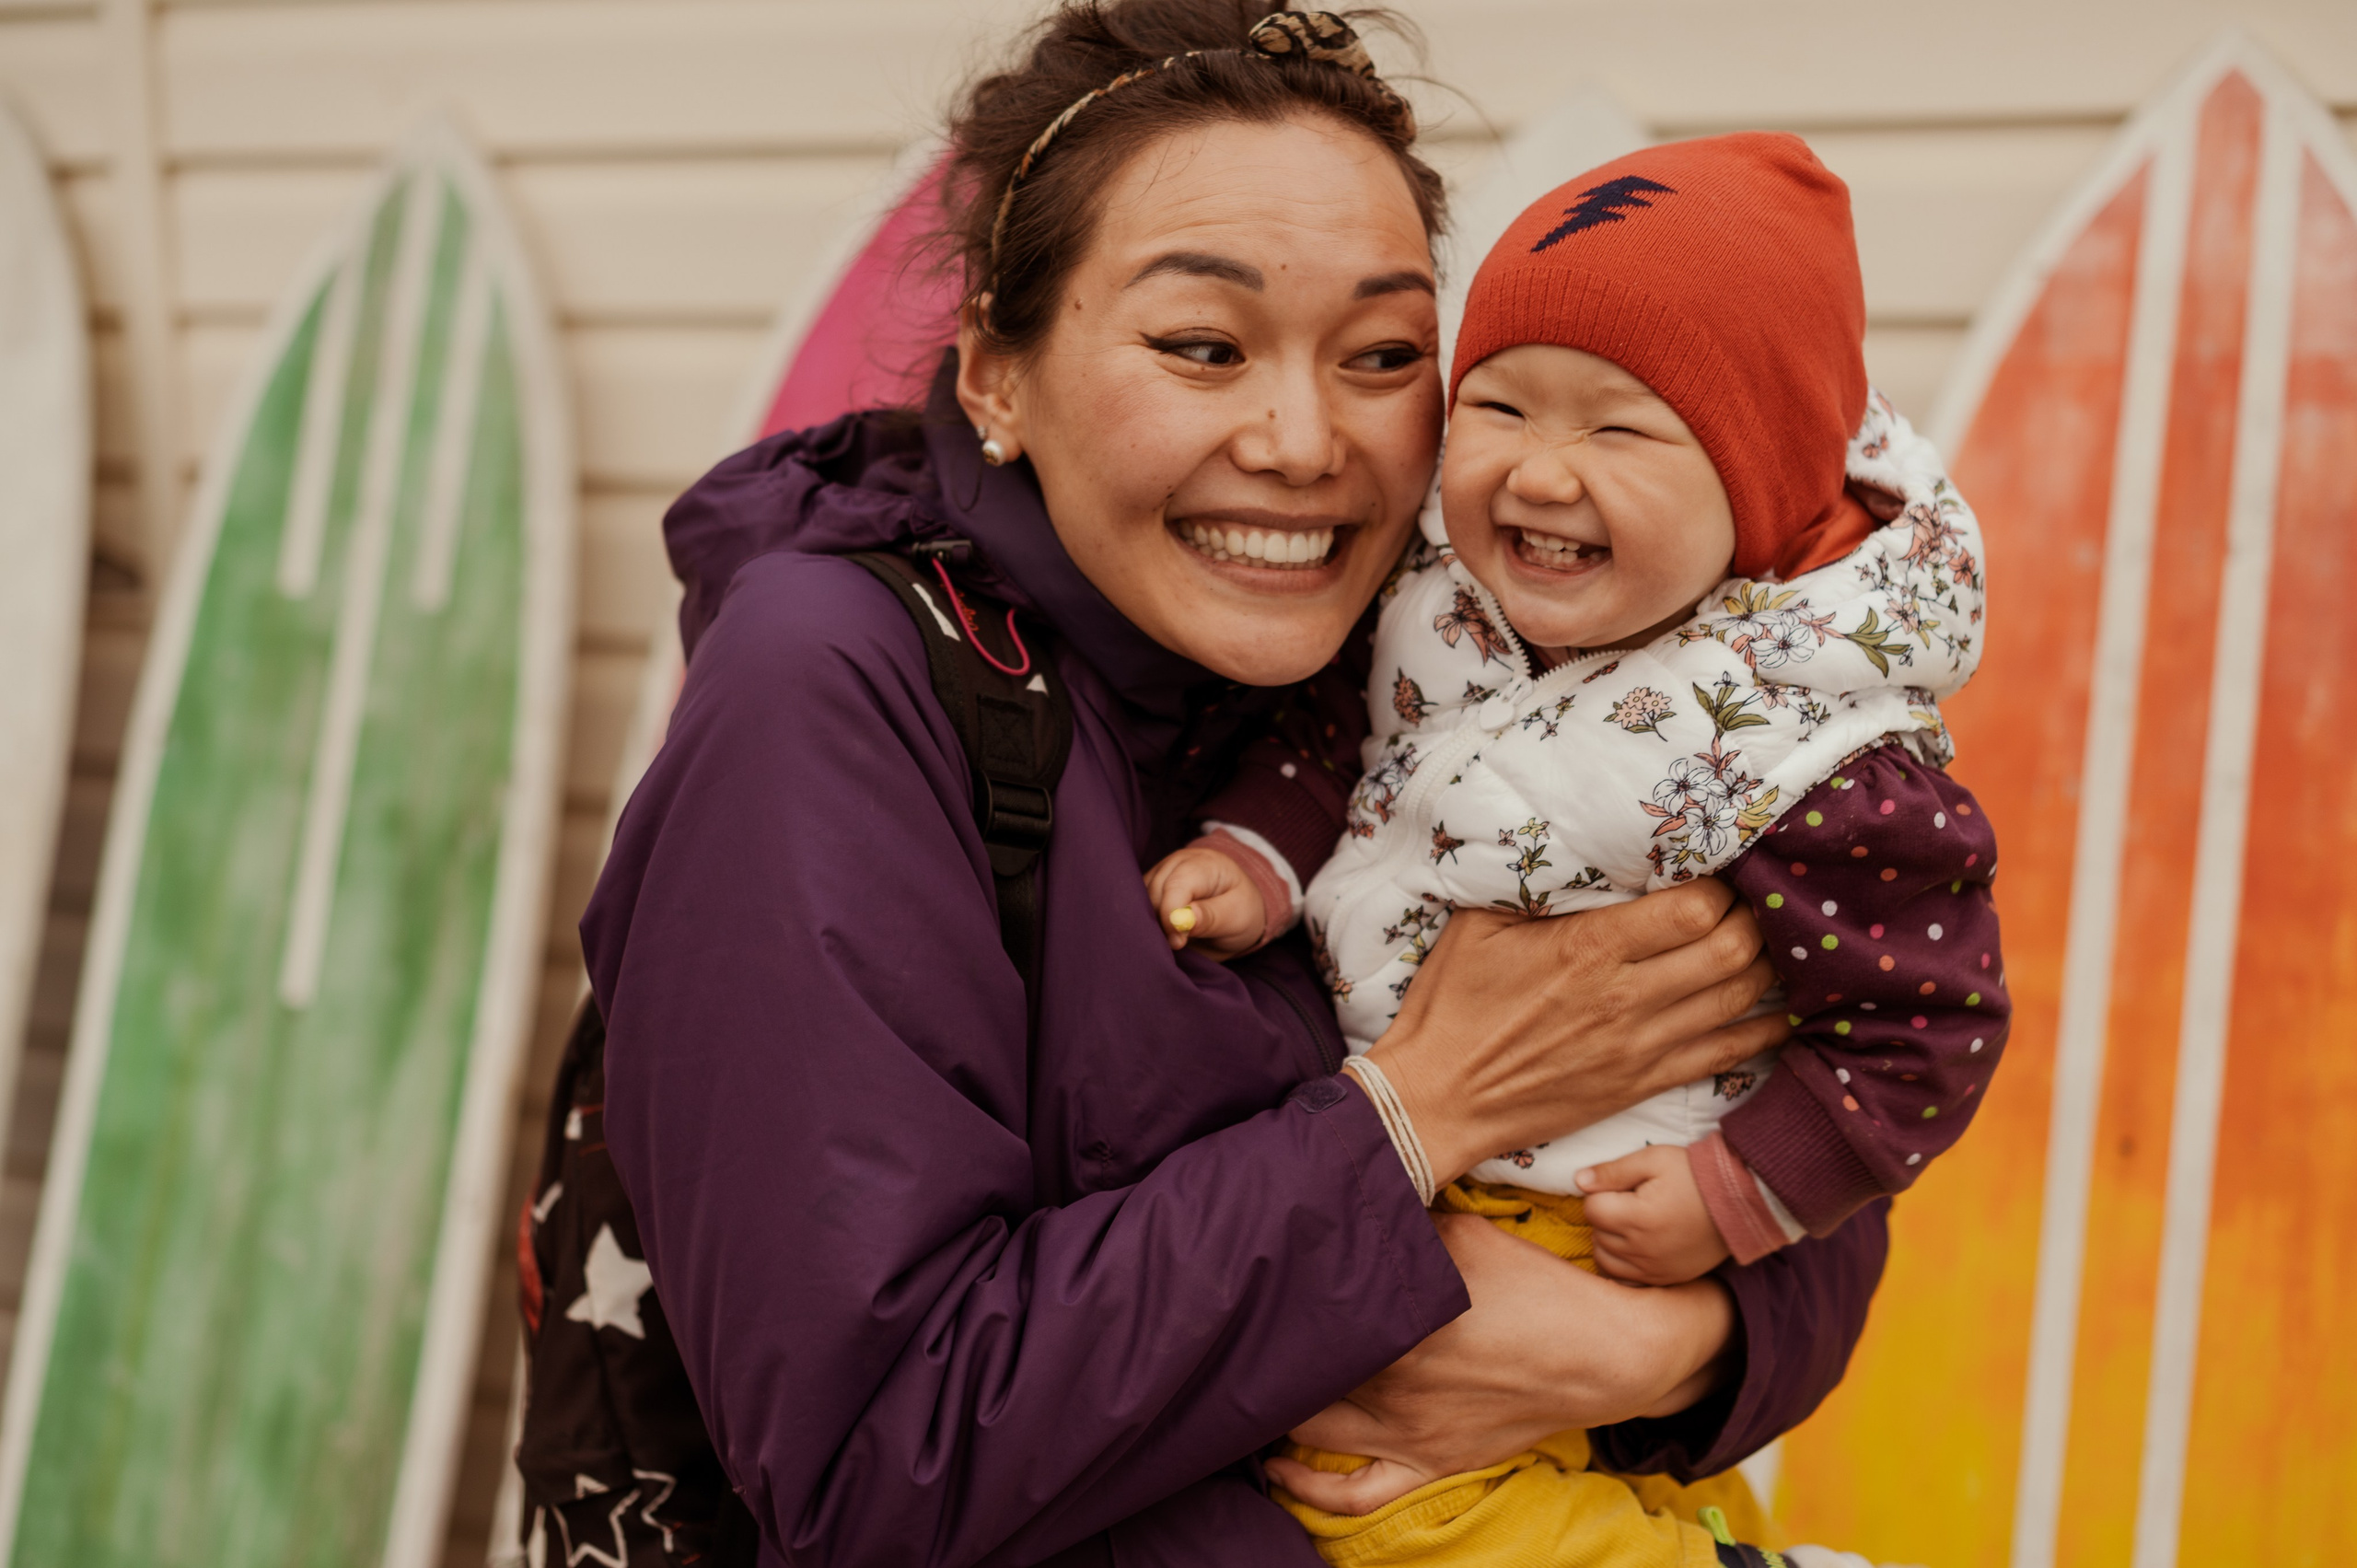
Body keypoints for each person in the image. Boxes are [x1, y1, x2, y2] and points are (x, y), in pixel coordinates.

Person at [585, 7, 1894, 1564]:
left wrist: (1674, 1351)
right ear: (998, 376)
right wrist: (1423, 1108)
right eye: (1204, 347)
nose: (1303, 440)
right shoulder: (834, 694)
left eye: (1387, 356)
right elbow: (874, 1458)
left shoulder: (1452, 653)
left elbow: (1820, 1093)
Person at [1142, 137, 2011, 1562]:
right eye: (1499, 408)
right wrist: (1256, 854)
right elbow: (1351, 752)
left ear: (1762, 480)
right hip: (1423, 1139)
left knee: (1385, 1501)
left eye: (1620, 431)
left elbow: (1931, 1018)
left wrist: (1740, 1193)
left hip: (1600, 1199)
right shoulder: (1446, 598)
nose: (1540, 473)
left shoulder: (1818, 759)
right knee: (1561, 1479)